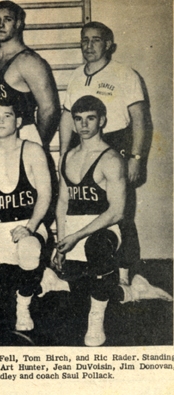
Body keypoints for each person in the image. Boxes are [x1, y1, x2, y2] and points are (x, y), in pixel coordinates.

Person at [54, 96, 171, 346]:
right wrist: (61, 241)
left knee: (95, 248)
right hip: (75, 229)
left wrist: (75, 237)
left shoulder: (110, 159)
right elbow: (63, 203)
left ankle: (96, 323)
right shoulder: (65, 157)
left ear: (102, 121)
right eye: (78, 119)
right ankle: (132, 290)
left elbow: (117, 212)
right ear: (73, 123)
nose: (84, 124)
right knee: (80, 298)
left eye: (91, 118)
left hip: (105, 229)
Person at [59, 22, 149, 285]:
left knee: (121, 212)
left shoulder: (124, 74)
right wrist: (63, 154)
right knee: (83, 206)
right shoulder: (76, 75)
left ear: (109, 45)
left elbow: (140, 120)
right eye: (84, 40)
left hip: (116, 141)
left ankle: (126, 274)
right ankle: (88, 266)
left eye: (95, 40)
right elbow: (67, 118)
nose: (88, 46)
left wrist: (136, 157)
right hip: (83, 142)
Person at [0, 97, 59, 331]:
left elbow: (46, 195)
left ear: (19, 121)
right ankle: (42, 279)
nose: (0, 121)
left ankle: (24, 308)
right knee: (3, 295)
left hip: (29, 224)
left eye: (7, 115)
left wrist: (30, 227)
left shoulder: (32, 150)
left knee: (28, 249)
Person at [0, 1, 60, 148]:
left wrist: (37, 143)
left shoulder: (29, 61)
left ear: (18, 23)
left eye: (8, 19)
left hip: (23, 135)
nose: (1, 24)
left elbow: (49, 109)